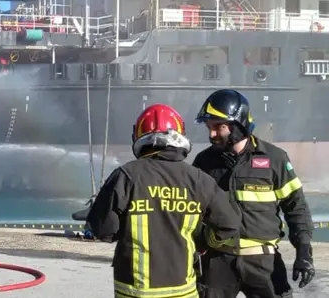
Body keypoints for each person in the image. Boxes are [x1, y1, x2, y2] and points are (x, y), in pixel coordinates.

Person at [83, 104, 242, 298]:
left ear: (139, 136)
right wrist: (202, 243)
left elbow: (103, 230)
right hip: (183, 290)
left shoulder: (126, 175)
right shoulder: (199, 179)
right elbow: (229, 224)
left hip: (135, 291)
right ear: (180, 136)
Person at [192, 89, 316, 298]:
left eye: (217, 127)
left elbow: (297, 208)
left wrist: (304, 252)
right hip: (217, 262)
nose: (211, 134)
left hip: (264, 264)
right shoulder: (204, 162)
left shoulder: (275, 159)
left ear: (237, 125)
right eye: (209, 128)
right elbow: (191, 212)